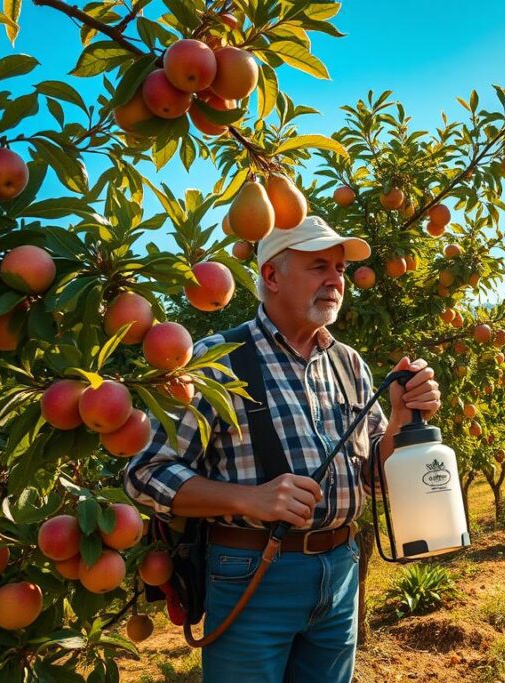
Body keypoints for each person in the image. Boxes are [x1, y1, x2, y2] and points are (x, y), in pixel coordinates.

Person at [125, 216, 442, 683]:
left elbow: (376, 475)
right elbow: (145, 472)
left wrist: (399, 420)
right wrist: (247, 498)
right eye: (319, 266)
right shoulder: (217, 361)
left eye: (339, 268)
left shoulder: (348, 362)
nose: (336, 279)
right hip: (251, 570)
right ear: (271, 276)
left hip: (340, 567)